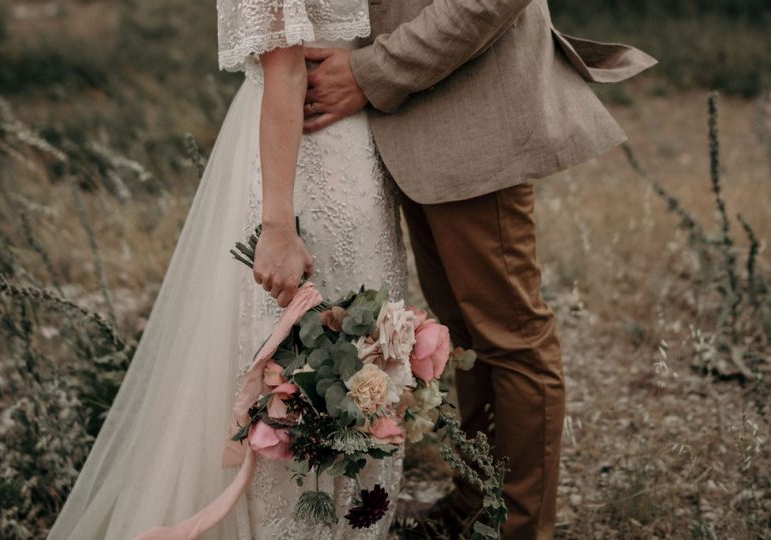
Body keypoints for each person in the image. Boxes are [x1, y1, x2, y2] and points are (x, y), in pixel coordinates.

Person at [47, 0, 407, 537]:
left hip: (300, 152)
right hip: (352, 145)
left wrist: (279, 226)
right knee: (352, 356)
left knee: (303, 356)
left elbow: (285, 69)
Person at [301, 0, 656, 538]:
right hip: (416, 120)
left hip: (472, 112)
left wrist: (369, 70)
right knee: (465, 332)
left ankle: (517, 527)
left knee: (512, 336)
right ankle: (477, 504)